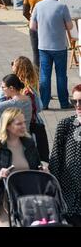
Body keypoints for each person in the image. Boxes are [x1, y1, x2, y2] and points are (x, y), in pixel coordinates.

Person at [0, 108, 41, 227]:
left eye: (24, 122)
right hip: (0, 200)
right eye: (19, 123)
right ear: (8, 126)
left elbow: (35, 167)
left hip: (26, 199)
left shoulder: (29, 143)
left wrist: (41, 171)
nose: (24, 126)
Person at [30, 0, 73, 110]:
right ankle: (64, 102)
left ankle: (44, 103)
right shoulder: (62, 7)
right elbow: (70, 26)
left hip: (43, 45)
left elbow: (32, 26)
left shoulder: (38, 6)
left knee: (44, 75)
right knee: (61, 75)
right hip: (59, 46)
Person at [49, 84, 81, 227]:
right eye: (74, 102)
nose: (78, 105)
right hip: (70, 197)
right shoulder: (66, 125)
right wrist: (54, 194)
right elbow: (55, 159)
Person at [23, 0, 48, 68]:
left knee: (36, 54)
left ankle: (36, 78)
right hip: (47, 26)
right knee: (47, 53)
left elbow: (25, 12)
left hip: (34, 26)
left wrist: (31, 19)